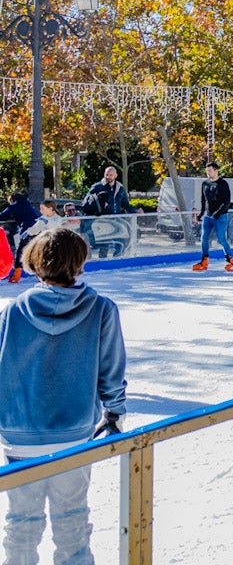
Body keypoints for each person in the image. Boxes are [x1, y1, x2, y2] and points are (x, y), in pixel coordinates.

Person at [0, 228, 126, 565]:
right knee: (71, 522)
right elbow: (111, 372)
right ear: (80, 262)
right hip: (73, 435)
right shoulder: (101, 309)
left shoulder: (12, 312)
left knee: (21, 524)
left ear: (35, 262)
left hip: (20, 435)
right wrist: (114, 413)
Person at [192, 162, 233, 272]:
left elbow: (226, 202)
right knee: (204, 238)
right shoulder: (205, 184)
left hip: (221, 216)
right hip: (208, 217)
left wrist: (217, 213)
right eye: (207, 171)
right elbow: (204, 200)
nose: (208, 173)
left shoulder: (223, 184)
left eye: (210, 171)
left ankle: (230, 261)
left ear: (216, 171)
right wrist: (201, 214)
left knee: (221, 239)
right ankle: (204, 260)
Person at [0, 193, 39, 283]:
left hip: (27, 231)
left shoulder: (16, 205)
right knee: (35, 252)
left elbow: (3, 215)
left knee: (21, 252)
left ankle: (16, 276)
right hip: (37, 230)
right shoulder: (29, 206)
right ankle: (40, 275)